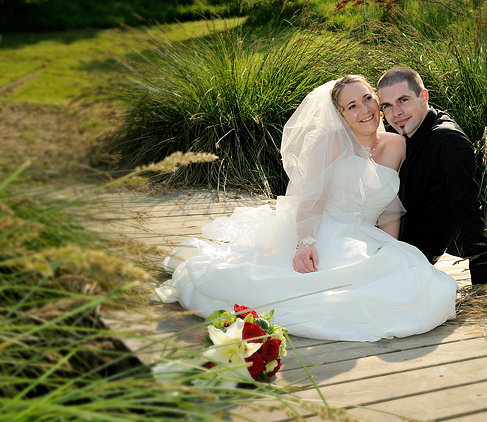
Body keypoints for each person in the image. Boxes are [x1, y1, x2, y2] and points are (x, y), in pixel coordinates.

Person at [152, 75, 457, 342]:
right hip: (327, 229)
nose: (365, 110)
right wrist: (305, 243)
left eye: (367, 99)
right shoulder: (330, 142)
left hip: (369, 236)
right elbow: (309, 201)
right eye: (352, 106)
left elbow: (390, 207)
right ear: (341, 114)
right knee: (315, 293)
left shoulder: (397, 145)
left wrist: (393, 249)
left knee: (420, 286)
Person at [377, 67, 487, 285]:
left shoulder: (448, 143)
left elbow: (469, 215)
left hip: (410, 259)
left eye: (403, 100)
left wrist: (481, 285)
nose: (396, 112)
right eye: (387, 106)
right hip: (382, 240)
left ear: (424, 97)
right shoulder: (397, 132)